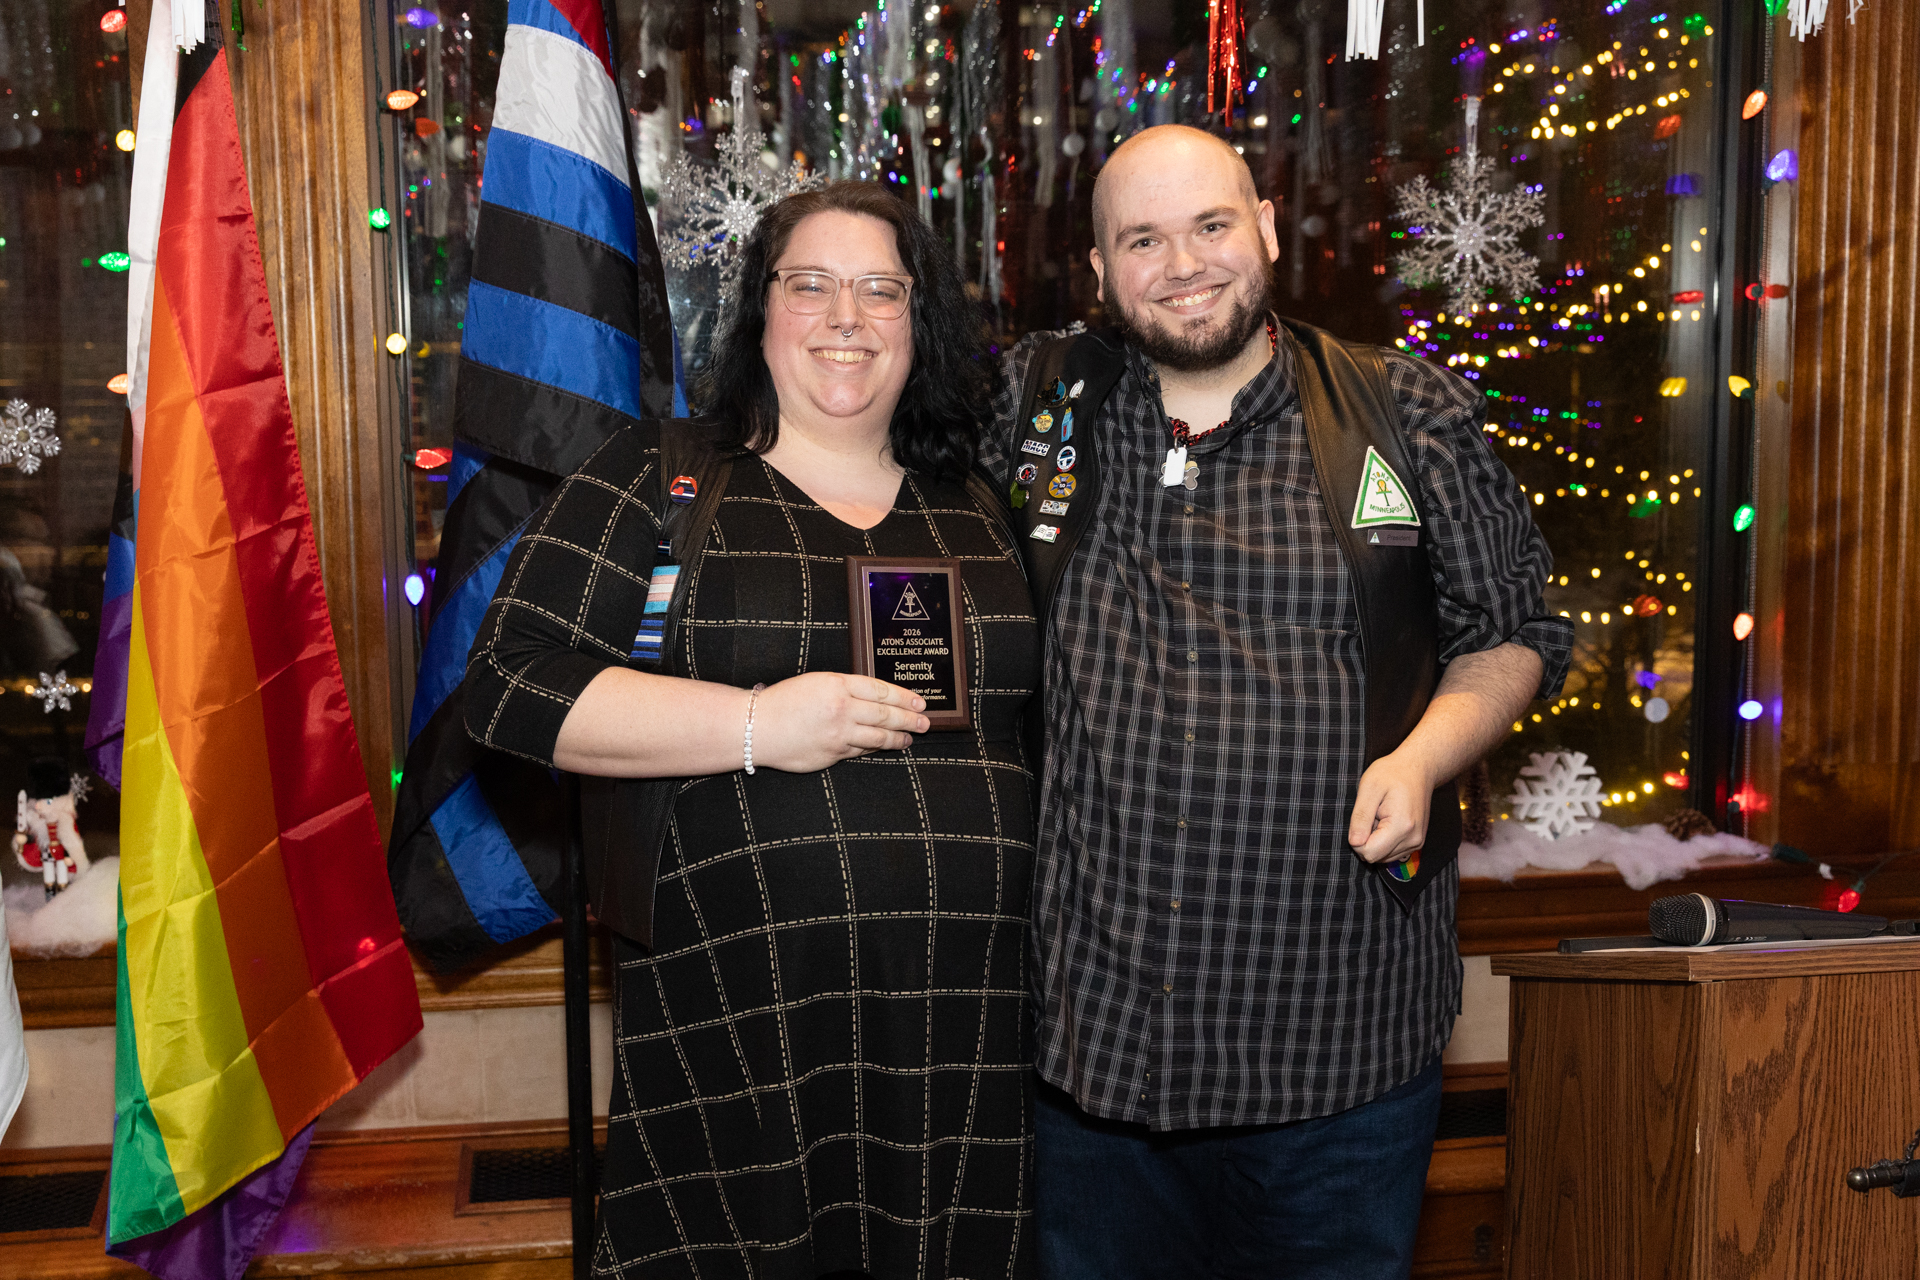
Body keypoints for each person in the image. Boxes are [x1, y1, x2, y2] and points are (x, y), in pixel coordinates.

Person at [982, 125, 1574, 1278]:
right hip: (1097, 1066)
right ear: (1098, 270)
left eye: (1210, 225)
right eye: (1141, 240)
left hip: (1337, 1059)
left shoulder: (1400, 409)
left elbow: (1516, 630)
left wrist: (1424, 756)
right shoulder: (1039, 407)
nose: (1182, 264)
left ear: (1263, 226)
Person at [463, 182, 1039, 1280]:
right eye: (809, 284)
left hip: (968, 1038)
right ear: (759, 311)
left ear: (920, 319)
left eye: (881, 290)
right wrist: (758, 722)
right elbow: (509, 682)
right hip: (737, 1032)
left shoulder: (977, 502)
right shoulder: (664, 476)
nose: (845, 318)